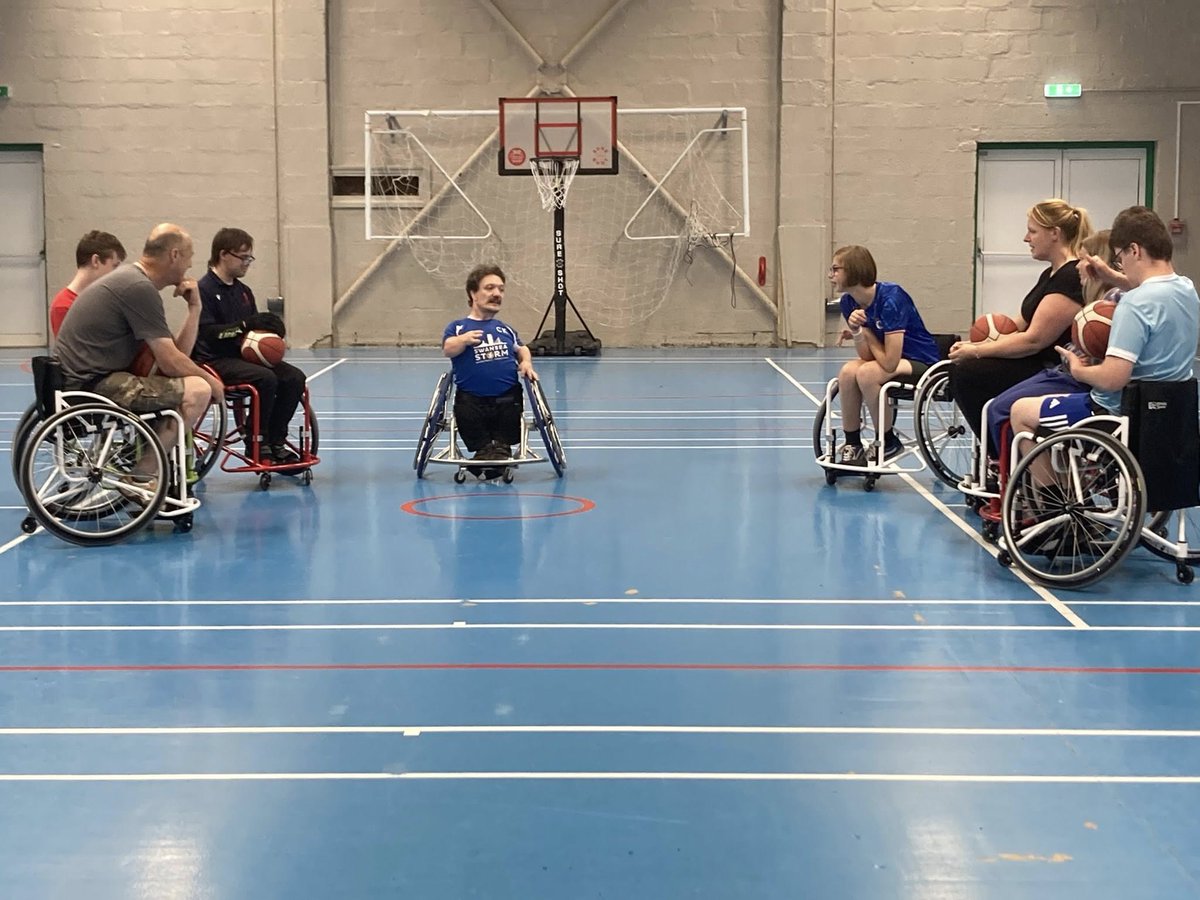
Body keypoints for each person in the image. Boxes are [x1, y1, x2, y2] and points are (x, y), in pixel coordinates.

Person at [1009, 206, 1199, 462]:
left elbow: (1112, 380)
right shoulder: (1186, 289)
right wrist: (1111, 276)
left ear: (1134, 250)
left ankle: (1047, 499)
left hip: (1112, 416)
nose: (1121, 264)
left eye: (1120, 257)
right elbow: (1150, 290)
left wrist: (1078, 369)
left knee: (1020, 411)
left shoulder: (1133, 304)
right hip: (1166, 415)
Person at [53, 223, 224, 488]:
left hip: (84, 380)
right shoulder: (137, 288)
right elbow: (171, 361)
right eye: (189, 259)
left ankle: (149, 469)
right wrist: (211, 381)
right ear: (174, 255)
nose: (190, 267)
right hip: (92, 386)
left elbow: (174, 357)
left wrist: (194, 309)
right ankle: (142, 475)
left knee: (183, 384)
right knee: (198, 390)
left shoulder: (132, 282)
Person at [948, 199, 1093, 458]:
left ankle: (997, 458)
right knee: (963, 367)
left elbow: (1033, 340)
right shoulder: (1049, 274)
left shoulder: (1070, 277)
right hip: (1033, 362)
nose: (1026, 238)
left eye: (1032, 231)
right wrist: (976, 344)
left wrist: (977, 352)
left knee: (968, 374)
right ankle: (1001, 449)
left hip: (1050, 367)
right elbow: (1018, 324)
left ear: (1055, 234)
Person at [982, 229, 1127, 457]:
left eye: (1081, 260)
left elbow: (1103, 358)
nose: (1077, 266)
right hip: (1066, 373)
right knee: (994, 406)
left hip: (1080, 381)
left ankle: (1022, 482)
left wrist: (1076, 363)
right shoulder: (1097, 300)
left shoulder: (1112, 303)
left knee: (1002, 409)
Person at [194, 227, 305, 465]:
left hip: (243, 357)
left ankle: (276, 438)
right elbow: (209, 333)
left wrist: (271, 330)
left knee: (295, 377)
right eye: (243, 257)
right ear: (224, 255)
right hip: (214, 360)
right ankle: (257, 441)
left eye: (249, 258)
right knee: (265, 378)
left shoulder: (243, 291)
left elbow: (253, 331)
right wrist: (245, 324)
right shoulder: (204, 290)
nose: (247, 263)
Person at [830, 245, 940, 465]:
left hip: (920, 361)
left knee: (868, 374)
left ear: (853, 271)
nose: (831, 275)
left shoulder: (892, 298)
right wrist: (856, 331)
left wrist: (867, 333)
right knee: (848, 372)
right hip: (888, 359)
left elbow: (889, 363)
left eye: (835, 269)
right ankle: (853, 443)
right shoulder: (848, 302)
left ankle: (888, 440)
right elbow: (866, 355)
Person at [442, 264, 538, 478]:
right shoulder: (458, 327)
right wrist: (463, 340)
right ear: (473, 293)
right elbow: (448, 349)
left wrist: (526, 363)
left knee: (508, 419)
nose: (497, 294)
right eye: (490, 288)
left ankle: (495, 453)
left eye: (501, 289)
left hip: (507, 399)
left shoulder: (505, 329)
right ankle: (487, 453)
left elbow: (522, 348)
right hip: (471, 400)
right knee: (469, 417)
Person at [49, 231, 127, 338]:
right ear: (96, 261)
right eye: (114, 266)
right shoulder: (63, 306)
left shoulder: (105, 300)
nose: (115, 273)